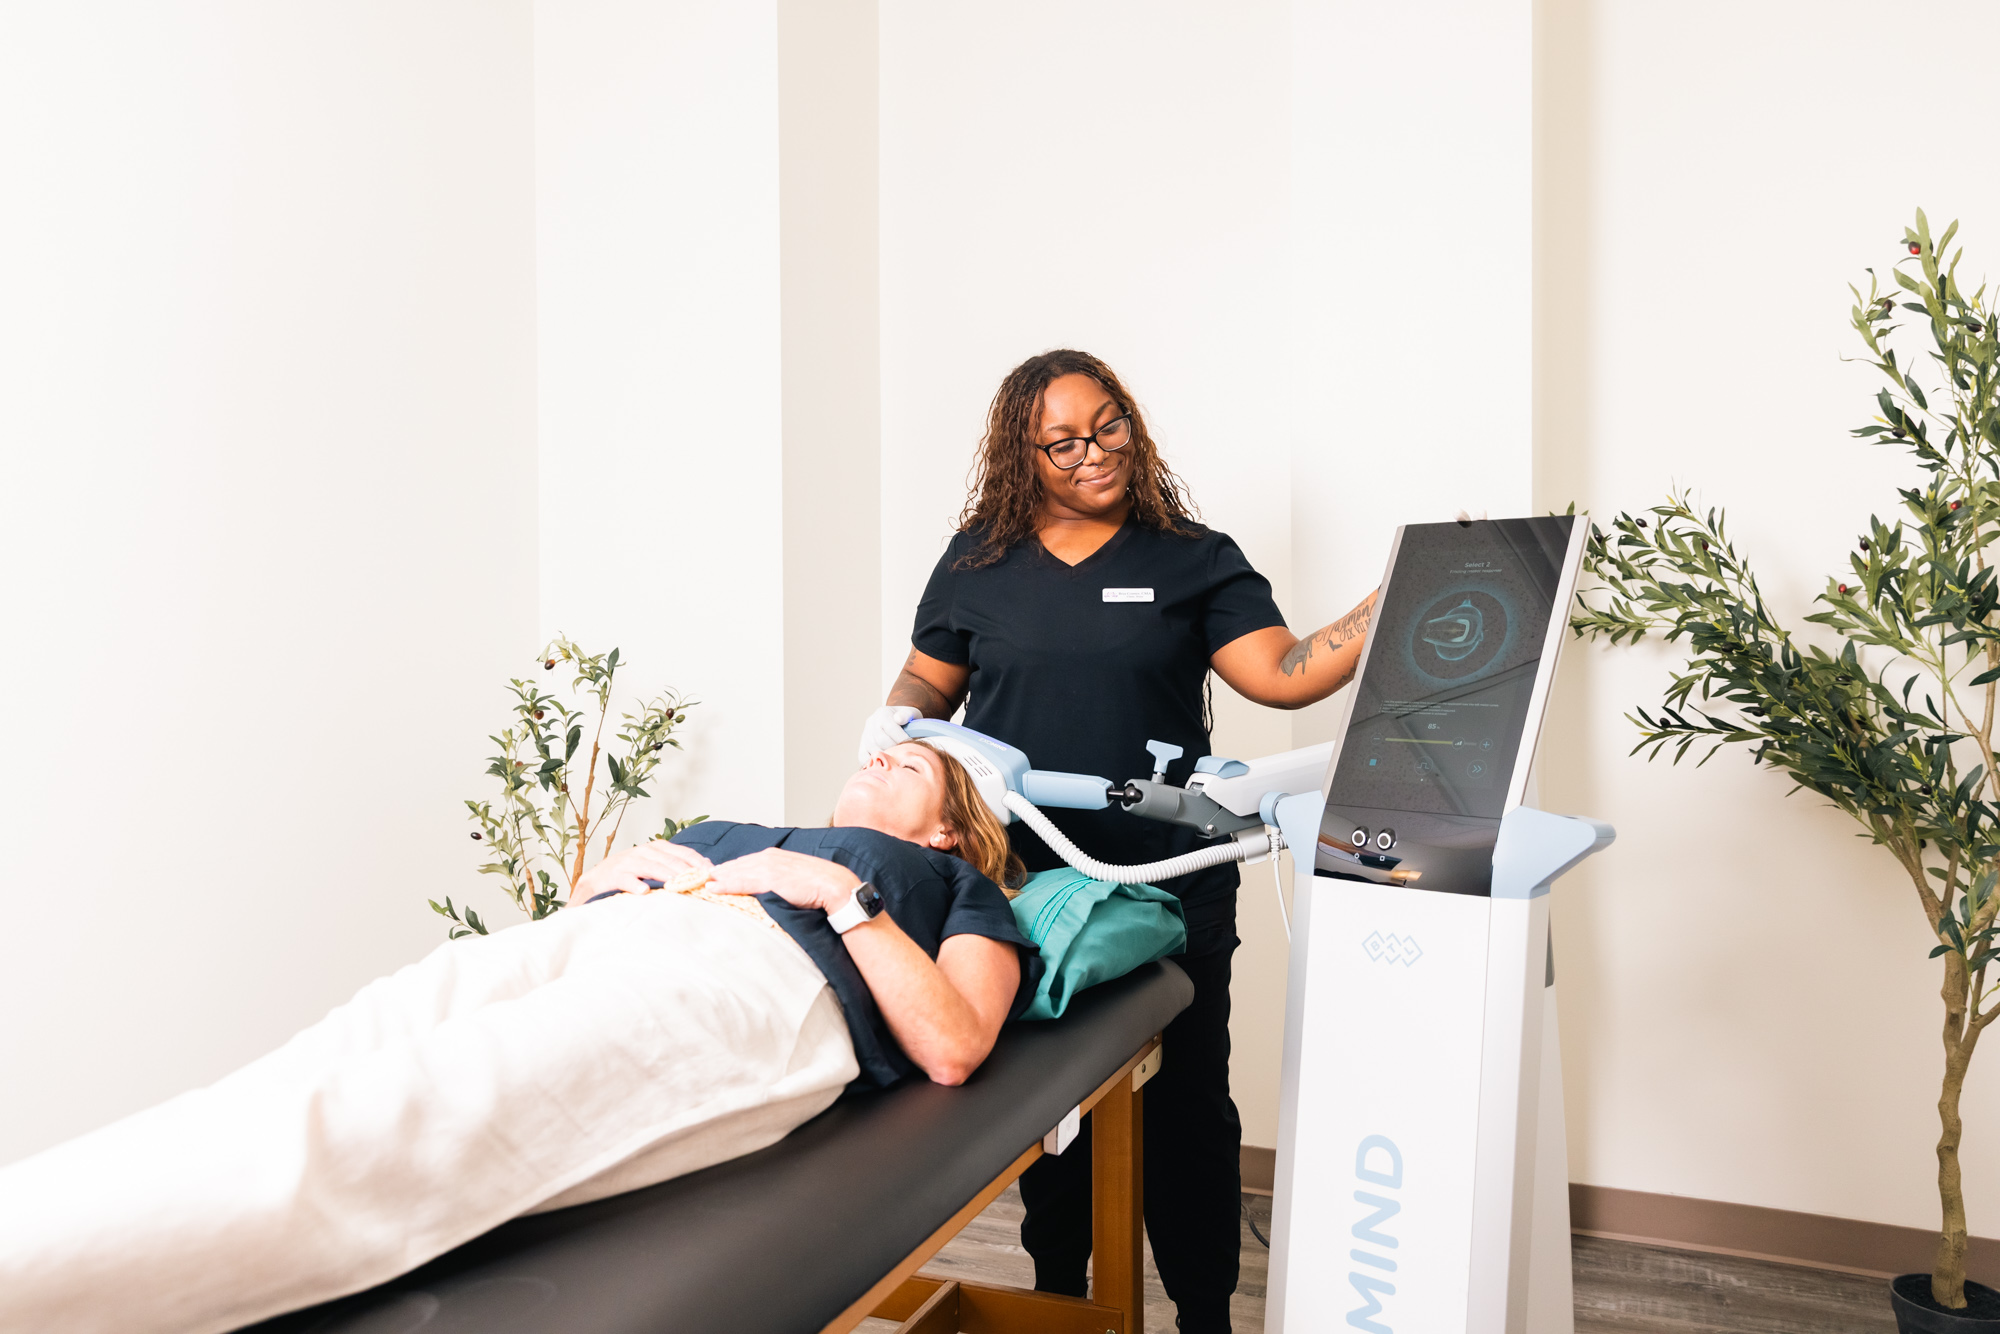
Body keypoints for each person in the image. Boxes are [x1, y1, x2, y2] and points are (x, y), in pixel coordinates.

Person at [0, 741, 1040, 1334]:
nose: (876, 755)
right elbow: (609, 875)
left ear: (950, 822)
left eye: (907, 760)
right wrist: (619, 876)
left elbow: (951, 1041)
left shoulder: (947, 886)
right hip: (596, 935)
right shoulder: (741, 824)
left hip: (751, 981)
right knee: (324, 1058)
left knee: (403, 1110)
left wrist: (831, 891)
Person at [859, 349, 1375, 1333]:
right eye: (1061, 441)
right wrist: (896, 721)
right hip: (1032, 887)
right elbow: (926, 681)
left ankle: (1202, 1313)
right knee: (1049, 1112)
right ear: (1023, 456)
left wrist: (1386, 599)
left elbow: (1286, 671)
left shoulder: (1191, 556)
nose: (1092, 452)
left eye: (1108, 426)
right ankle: (1059, 1297)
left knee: (1186, 1106)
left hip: (1172, 881)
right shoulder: (978, 562)